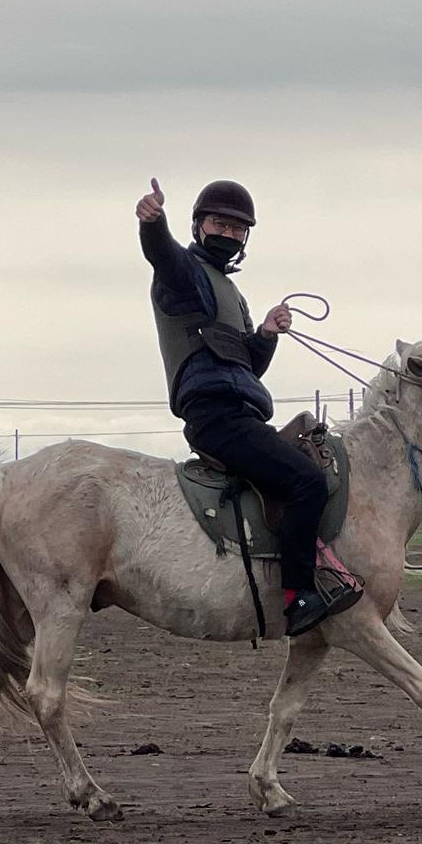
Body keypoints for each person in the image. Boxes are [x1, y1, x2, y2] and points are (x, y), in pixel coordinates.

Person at [136, 178, 360, 636]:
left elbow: (245, 368)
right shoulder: (188, 275)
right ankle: (298, 597)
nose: (229, 235)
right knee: (306, 480)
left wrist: (265, 335)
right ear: (198, 226)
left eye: (239, 230)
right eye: (220, 224)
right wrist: (154, 224)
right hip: (217, 418)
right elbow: (166, 257)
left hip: (240, 413)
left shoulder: (231, 293)